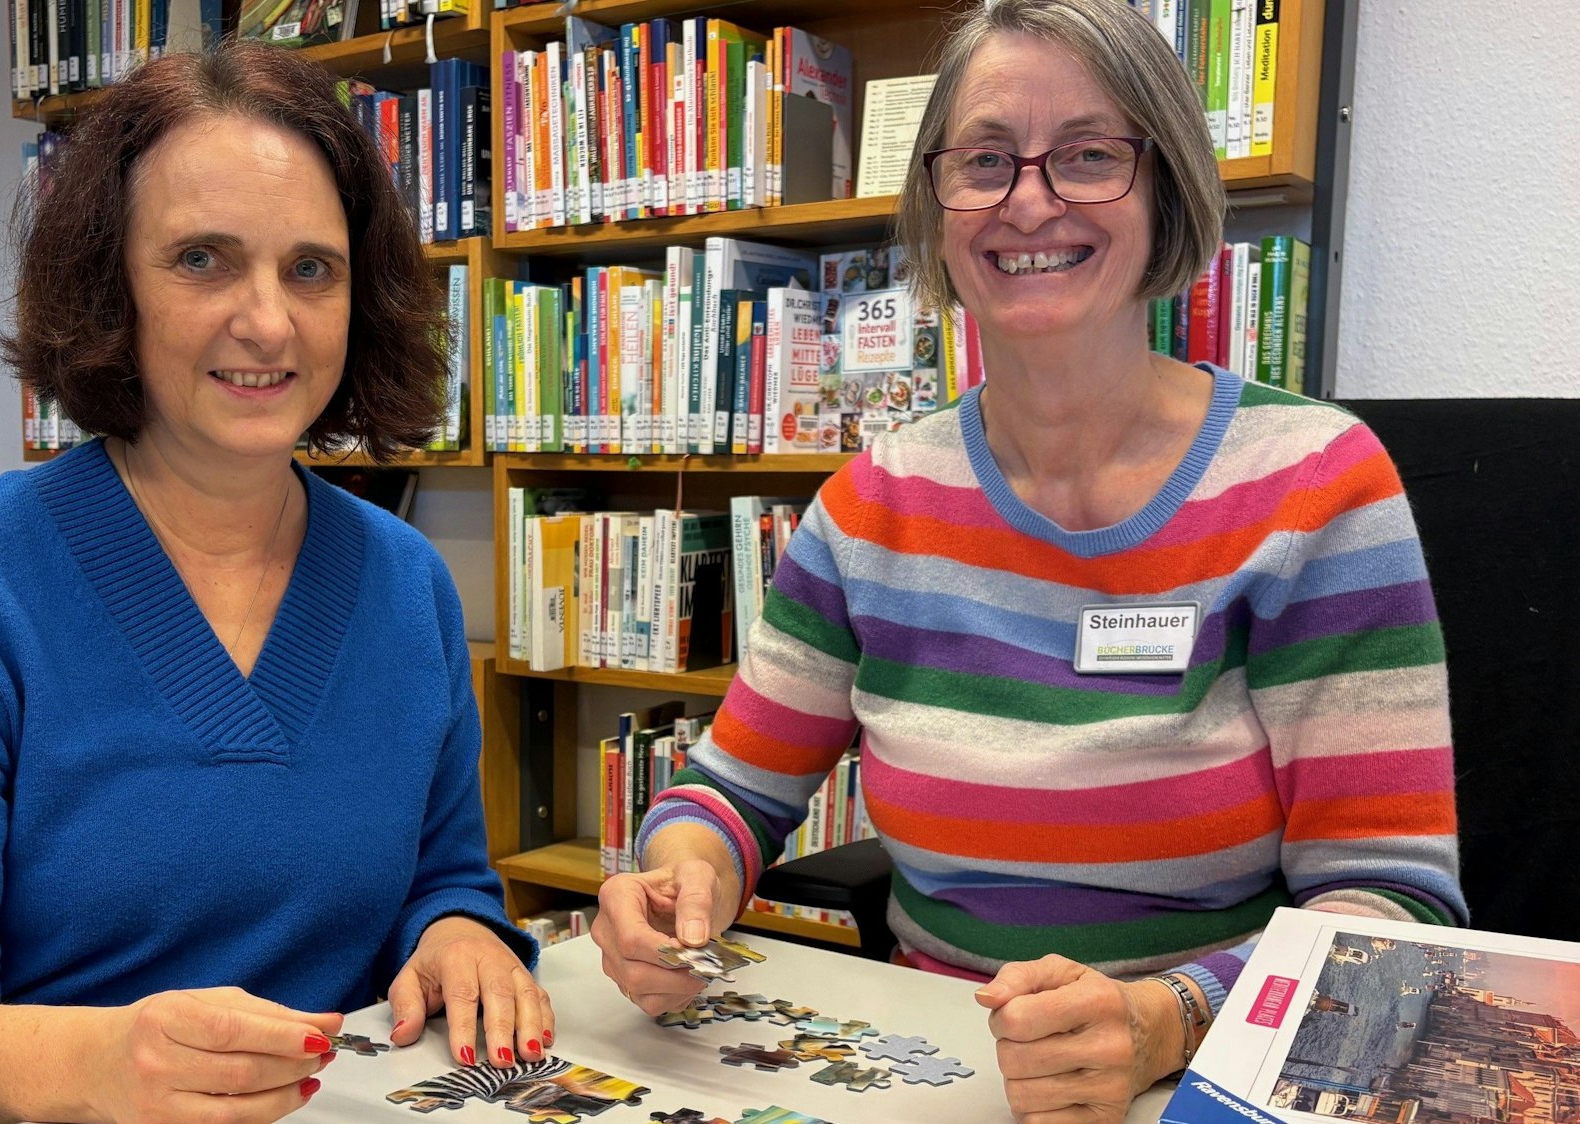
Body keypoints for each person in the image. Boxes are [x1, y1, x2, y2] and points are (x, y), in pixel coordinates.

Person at [592, 1, 1465, 1120]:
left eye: (1091, 155)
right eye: (987, 159)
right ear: (936, 203)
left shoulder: (1313, 486)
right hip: (937, 1071)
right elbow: (730, 790)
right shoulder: (874, 506)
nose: (1030, 200)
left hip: (1209, 1068)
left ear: (1166, 192)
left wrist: (1171, 1014)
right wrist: (679, 876)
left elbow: (1394, 908)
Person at [0, 42, 552, 1124]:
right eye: (201, 259)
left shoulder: (407, 585)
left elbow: (441, 878)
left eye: (312, 267)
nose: (268, 321)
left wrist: (456, 933)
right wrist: (95, 1062)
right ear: (110, 284)